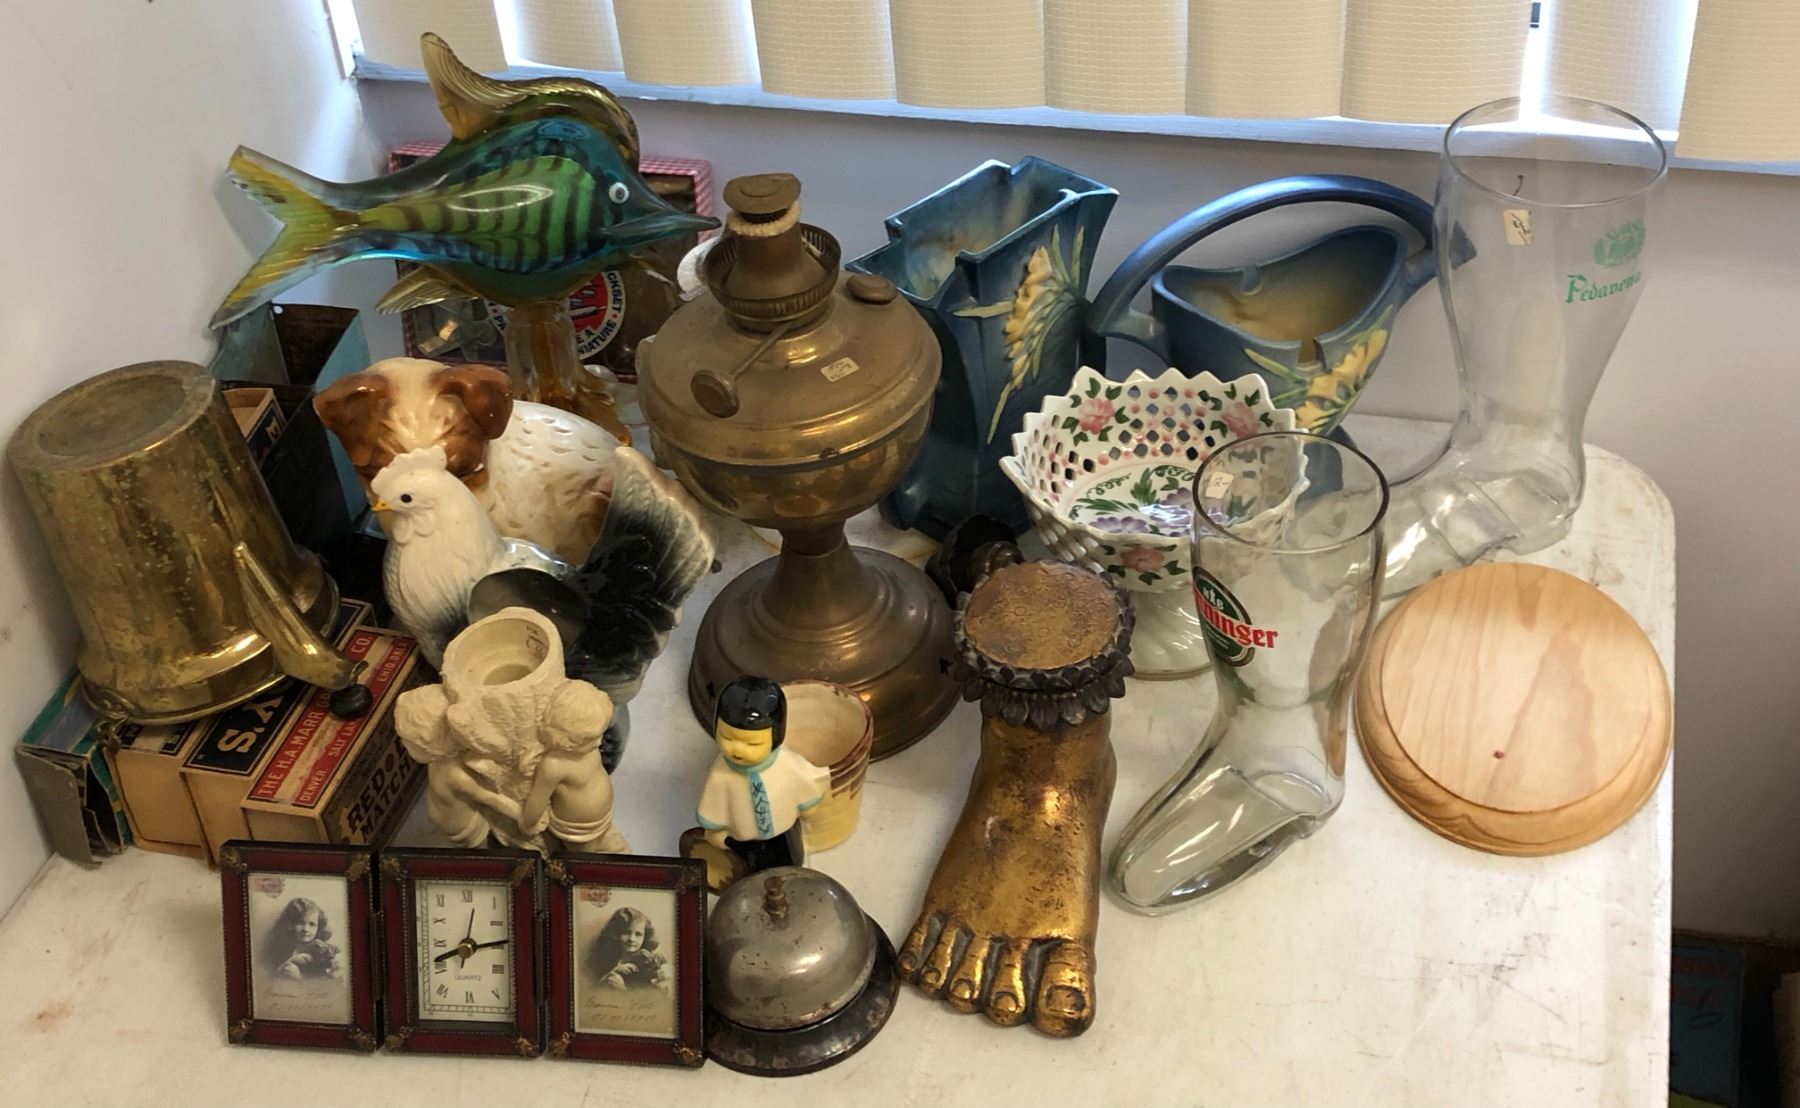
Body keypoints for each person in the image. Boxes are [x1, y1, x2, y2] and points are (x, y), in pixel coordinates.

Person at [695, 677, 830, 875]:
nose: (738, 749)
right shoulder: (721, 773)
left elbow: (802, 781)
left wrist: (806, 804)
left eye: (753, 744)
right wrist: (716, 829)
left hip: (783, 831)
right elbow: (714, 801)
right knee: (751, 870)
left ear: (776, 736)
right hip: (745, 836)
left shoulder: (785, 762)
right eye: (727, 737)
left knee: (790, 862)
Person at [588, 907, 668, 990]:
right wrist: (609, 975)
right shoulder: (605, 960)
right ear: (616, 934)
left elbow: (651, 996)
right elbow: (592, 991)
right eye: (626, 932)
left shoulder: (650, 964)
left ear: (645, 937)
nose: (631, 939)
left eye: (638, 934)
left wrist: (622, 989)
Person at [266, 897, 341, 980]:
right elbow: (272, 979)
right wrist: (288, 963)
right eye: (300, 923)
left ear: (318, 927)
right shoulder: (282, 949)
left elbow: (324, 981)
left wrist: (299, 978)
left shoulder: (322, 951)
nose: (305, 929)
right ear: (290, 924)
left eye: (312, 924)